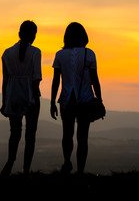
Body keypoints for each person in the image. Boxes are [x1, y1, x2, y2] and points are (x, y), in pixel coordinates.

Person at [50, 22, 103, 174]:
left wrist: (53, 102)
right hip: (85, 100)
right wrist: (99, 99)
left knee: (67, 134)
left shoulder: (60, 55)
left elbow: (56, 81)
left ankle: (67, 162)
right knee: (82, 138)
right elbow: (95, 80)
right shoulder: (90, 54)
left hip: (66, 100)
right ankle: (80, 170)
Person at [0, 20, 42, 176]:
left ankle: (10, 162)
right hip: (30, 95)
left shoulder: (6, 53)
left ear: (19, 34)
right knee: (30, 134)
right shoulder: (36, 52)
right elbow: (36, 78)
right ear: (34, 35)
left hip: (13, 96)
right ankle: (25, 170)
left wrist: (5, 102)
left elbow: (5, 80)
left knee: (14, 132)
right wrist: (34, 96)